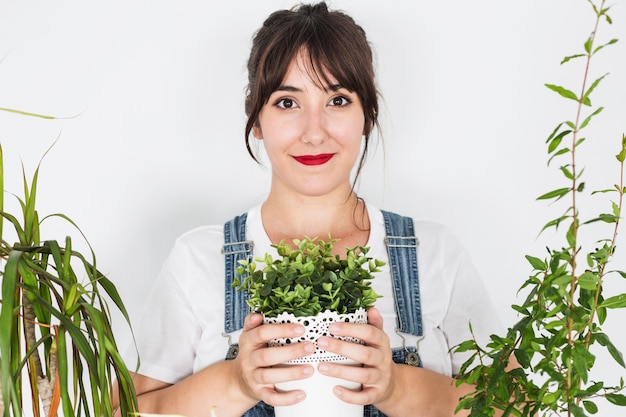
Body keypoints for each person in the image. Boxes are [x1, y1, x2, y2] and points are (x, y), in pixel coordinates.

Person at [115, 2, 504, 416]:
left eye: (337, 100)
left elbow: (513, 406)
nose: (314, 132)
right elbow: (124, 410)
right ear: (256, 117)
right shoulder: (198, 260)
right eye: (287, 102)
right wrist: (236, 382)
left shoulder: (433, 254)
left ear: (367, 114)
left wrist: (394, 386)